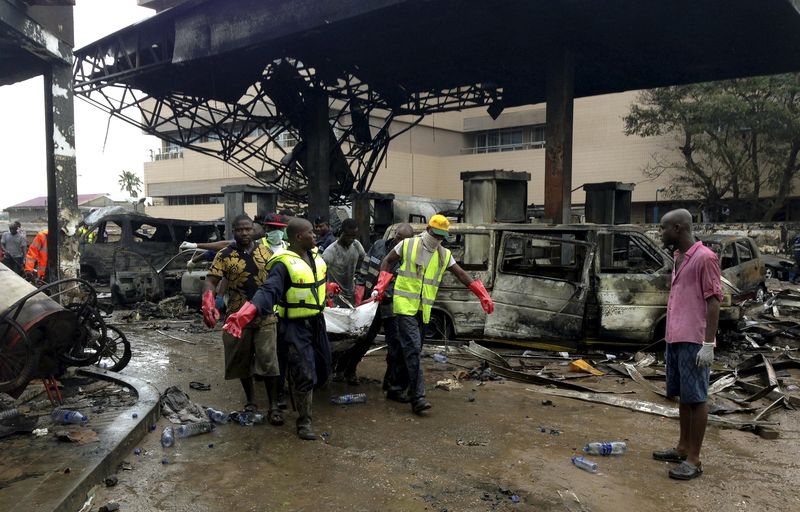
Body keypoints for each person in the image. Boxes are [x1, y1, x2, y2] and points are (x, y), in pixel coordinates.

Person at [223, 218, 339, 440]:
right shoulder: (282, 263)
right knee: (305, 371)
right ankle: (304, 421)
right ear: (298, 237)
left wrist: (328, 288)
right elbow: (269, 290)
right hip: (294, 325)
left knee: (323, 370)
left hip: (317, 322)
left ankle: (296, 389)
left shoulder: (314, 256)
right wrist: (248, 311)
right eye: (311, 233)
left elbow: (313, 281)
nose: (315, 236)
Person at [372, 214, 494, 414]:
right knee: (412, 348)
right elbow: (387, 260)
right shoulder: (408, 245)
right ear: (428, 229)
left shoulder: (443, 254)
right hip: (404, 306)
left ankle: (395, 388)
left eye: (441, 237)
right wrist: (381, 284)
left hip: (424, 308)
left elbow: (461, 274)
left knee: (410, 350)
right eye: (435, 234)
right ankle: (417, 397)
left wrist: (481, 293)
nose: (437, 239)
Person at [652, 208, 721, 480]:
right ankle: (682, 447)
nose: (660, 233)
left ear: (678, 228)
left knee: (697, 399)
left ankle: (694, 459)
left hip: (694, 340)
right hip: (675, 338)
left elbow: (714, 301)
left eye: (663, 228)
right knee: (682, 395)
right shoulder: (679, 257)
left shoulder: (705, 258)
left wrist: (708, 344)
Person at [202, 214, 284, 425]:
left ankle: (274, 406)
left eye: (248, 229)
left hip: (264, 314)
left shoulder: (266, 252)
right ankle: (251, 401)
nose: (245, 233)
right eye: (240, 230)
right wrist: (209, 299)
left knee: (268, 361)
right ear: (234, 231)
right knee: (242, 360)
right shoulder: (224, 255)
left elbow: (278, 280)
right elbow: (211, 280)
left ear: (254, 230)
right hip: (237, 317)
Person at [335, 223, 414, 392]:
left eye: (405, 240)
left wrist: (387, 294)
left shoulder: (409, 258)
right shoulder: (379, 245)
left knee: (394, 345)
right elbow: (365, 265)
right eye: (399, 238)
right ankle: (346, 369)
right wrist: (361, 286)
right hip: (370, 303)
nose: (400, 243)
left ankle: (390, 382)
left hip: (391, 306)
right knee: (361, 339)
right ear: (394, 235)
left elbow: (404, 283)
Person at [322, 218, 366, 310]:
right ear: (342, 232)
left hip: (352, 293)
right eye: (349, 236)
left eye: (354, 236)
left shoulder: (356, 245)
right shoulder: (331, 251)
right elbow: (319, 271)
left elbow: (365, 260)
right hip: (336, 296)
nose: (351, 239)